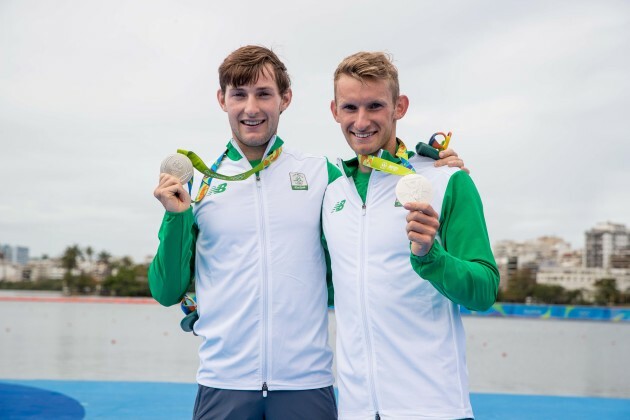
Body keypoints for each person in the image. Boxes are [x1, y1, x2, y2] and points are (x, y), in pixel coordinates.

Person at [149, 45, 465, 419]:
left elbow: (375, 176)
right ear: (222, 100)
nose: (251, 108)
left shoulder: (323, 175)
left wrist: (432, 163)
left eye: (264, 94)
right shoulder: (199, 185)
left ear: (285, 99)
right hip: (223, 381)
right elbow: (166, 290)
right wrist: (175, 218)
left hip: (306, 385)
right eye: (239, 95)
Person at [322, 51, 499, 419]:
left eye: (375, 106)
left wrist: (430, 256)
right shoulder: (332, 193)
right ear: (335, 111)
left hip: (433, 408)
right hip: (355, 410)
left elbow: (484, 291)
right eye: (350, 107)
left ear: (399, 106)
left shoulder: (446, 180)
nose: (362, 120)